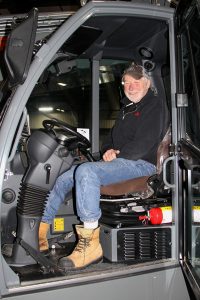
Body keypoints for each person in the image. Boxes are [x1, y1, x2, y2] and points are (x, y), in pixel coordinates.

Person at [39, 63, 167, 270]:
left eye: (136, 82)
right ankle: (40, 234)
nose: (131, 86)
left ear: (147, 83)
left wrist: (117, 154)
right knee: (64, 177)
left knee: (87, 171)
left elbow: (144, 144)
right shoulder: (126, 109)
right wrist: (108, 151)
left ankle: (91, 245)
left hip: (142, 164)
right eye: (127, 82)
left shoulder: (154, 105)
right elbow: (110, 141)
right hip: (124, 161)